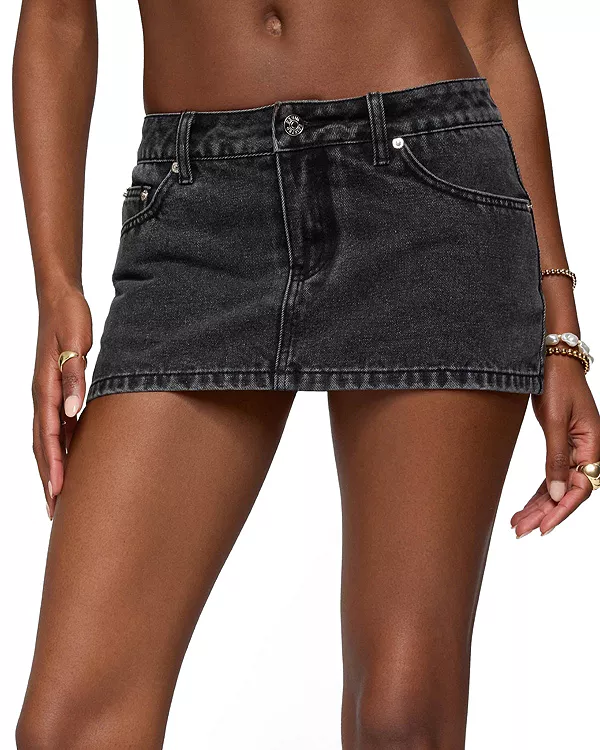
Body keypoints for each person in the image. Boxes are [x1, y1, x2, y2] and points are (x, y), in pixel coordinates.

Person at [12, 0, 600, 748]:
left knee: (401, 719)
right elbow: (57, 20)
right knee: (68, 728)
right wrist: (55, 285)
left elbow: (488, 31)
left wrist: (559, 329)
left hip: (427, 179)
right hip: (197, 206)